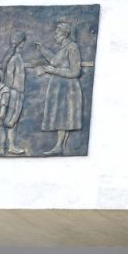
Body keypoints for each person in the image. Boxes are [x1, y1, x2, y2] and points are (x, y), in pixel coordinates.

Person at [35, 21, 84, 155]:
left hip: (68, 88)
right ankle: (59, 145)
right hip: (59, 87)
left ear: (64, 34)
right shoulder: (63, 48)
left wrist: (54, 71)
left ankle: (59, 146)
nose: (55, 35)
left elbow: (75, 72)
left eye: (57, 33)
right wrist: (42, 49)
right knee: (59, 116)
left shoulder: (72, 47)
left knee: (63, 116)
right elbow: (55, 61)